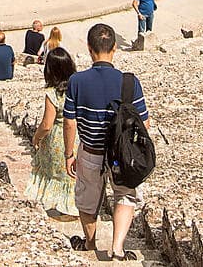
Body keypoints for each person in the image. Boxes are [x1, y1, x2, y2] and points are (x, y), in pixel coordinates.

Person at [62, 23, 151, 263]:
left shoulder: (77, 81)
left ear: (90, 49)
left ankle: (90, 245)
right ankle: (118, 248)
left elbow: (69, 122)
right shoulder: (130, 83)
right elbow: (145, 123)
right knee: (125, 195)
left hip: (90, 151)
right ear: (114, 49)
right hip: (121, 155)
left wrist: (68, 153)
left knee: (87, 199)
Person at [29, 46, 80, 219]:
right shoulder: (78, 87)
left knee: (57, 173)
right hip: (78, 136)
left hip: (58, 137)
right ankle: (75, 207)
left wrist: (36, 138)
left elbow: (47, 124)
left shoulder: (53, 93)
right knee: (73, 175)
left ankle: (64, 208)